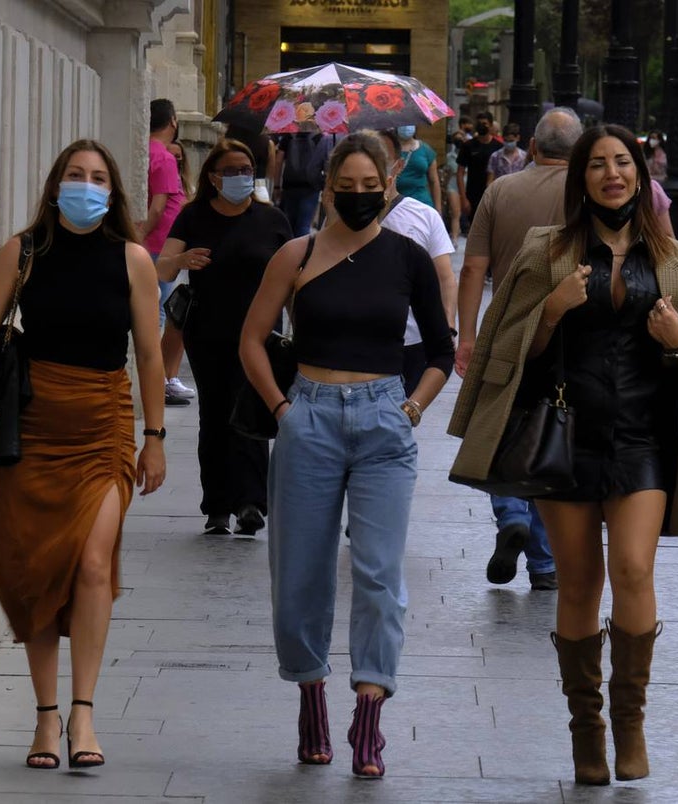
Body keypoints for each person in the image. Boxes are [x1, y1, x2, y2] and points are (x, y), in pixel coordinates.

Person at [448, 124, 678, 786]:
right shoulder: (545, 253)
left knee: (632, 569)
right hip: (565, 436)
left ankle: (630, 723)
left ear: (640, 174)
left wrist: (672, 341)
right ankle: (588, 731)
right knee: (577, 583)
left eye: (623, 162)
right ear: (580, 179)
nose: (612, 173)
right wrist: (549, 312)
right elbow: (504, 345)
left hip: (643, 441)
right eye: (598, 164)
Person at [239, 131, 453, 778]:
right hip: (310, 417)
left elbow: (442, 351)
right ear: (327, 189)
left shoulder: (408, 257)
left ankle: (369, 714)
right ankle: (310, 698)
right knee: (299, 573)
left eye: (371, 188)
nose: (359, 198)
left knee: (381, 573)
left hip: (385, 422)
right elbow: (251, 341)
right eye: (347, 188)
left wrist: (411, 408)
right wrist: (284, 410)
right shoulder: (296, 255)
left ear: (389, 189)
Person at [0, 139, 167, 770]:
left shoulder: (132, 259)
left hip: (103, 425)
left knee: (95, 564)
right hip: (33, 429)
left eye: (98, 177)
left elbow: (151, 357)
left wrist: (153, 439)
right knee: (37, 569)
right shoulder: (23, 252)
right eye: (75, 175)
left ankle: (84, 713)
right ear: (55, 186)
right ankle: (46, 718)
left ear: (113, 191)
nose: (86, 185)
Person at [456, 107, 584, 593]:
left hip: (509, 328)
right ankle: (546, 563)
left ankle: (511, 513)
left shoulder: (500, 191)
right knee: (554, 433)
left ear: (532, 146)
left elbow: (473, 269)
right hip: (573, 330)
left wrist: (466, 336)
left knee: (505, 428)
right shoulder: (586, 193)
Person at [156, 139, 293, 536]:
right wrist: (181, 261)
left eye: (246, 170)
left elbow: (296, 277)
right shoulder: (193, 216)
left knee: (253, 410)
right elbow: (162, 269)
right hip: (209, 331)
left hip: (262, 333)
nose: (240, 177)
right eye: (230, 171)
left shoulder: (273, 220)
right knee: (214, 416)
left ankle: (251, 502)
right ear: (213, 177)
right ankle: (217, 505)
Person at [377, 128, 457, 395]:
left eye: (381, 157)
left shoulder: (424, 216)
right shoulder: (342, 223)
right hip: (361, 342)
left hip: (413, 340)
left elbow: (445, 277)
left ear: (397, 165)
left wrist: (448, 328)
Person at [141, 99, 194, 407]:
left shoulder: (144, 151)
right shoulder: (161, 155)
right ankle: (157, 380)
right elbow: (159, 206)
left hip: (153, 246)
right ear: (173, 121)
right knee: (158, 311)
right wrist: (142, 235)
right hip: (158, 247)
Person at [275, 130, 336, 237]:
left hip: (289, 185)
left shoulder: (288, 136)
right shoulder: (318, 137)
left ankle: (288, 249)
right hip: (310, 187)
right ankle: (302, 251)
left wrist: (276, 186)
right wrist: (320, 183)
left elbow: (279, 161)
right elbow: (322, 163)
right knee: (303, 225)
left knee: (288, 224)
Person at [456, 117, 501, 230]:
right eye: (479, 123)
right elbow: (460, 172)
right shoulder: (468, 146)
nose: (482, 125)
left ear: (490, 125)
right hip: (473, 194)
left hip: (493, 194)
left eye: (484, 123)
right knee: (474, 228)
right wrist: (463, 198)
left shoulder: (498, 147)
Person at [226, 120, 277, 203]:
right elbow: (270, 173)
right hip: (259, 188)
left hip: (232, 187)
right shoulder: (267, 143)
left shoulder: (228, 142)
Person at [394, 125, 442, 211]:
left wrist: (438, 210)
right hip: (395, 206)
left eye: (410, 122)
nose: (406, 126)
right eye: (403, 123)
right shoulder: (389, 149)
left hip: (422, 204)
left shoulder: (426, 150)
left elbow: (434, 182)